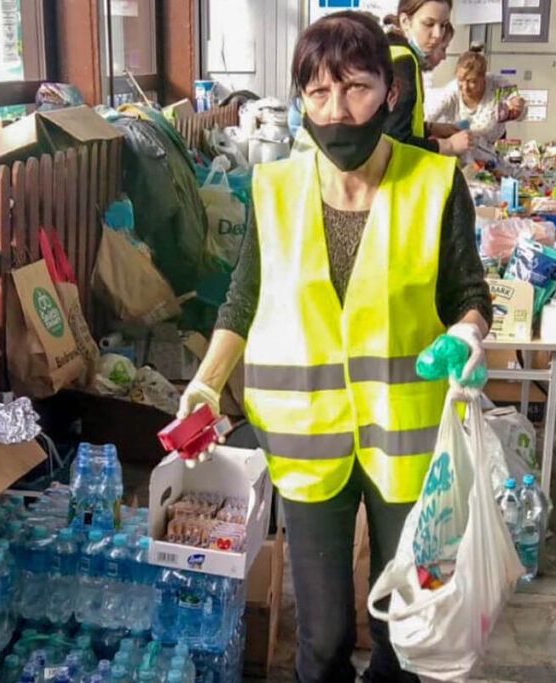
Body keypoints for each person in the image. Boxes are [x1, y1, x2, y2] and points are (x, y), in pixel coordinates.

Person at [177, 11, 491, 683]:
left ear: (391, 92)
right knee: (321, 639)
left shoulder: (435, 184)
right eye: (318, 92)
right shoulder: (275, 188)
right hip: (304, 438)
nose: (337, 110)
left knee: (402, 628)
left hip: (405, 438)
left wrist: (467, 330)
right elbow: (243, 296)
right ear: (300, 99)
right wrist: (206, 383)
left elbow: (468, 287)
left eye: (355, 88)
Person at [384, 0, 472, 156]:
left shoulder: (392, 50)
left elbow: (393, 121)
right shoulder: (403, 62)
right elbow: (396, 141)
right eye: (429, 24)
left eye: (443, 25)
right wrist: (449, 145)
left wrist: (430, 128)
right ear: (405, 22)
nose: (438, 35)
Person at [425, 45, 527, 165]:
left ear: (483, 77)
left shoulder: (498, 84)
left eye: (472, 81)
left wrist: (518, 108)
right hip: (463, 153)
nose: (465, 87)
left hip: (494, 149)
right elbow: (425, 121)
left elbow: (521, 114)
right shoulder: (450, 93)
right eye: (461, 80)